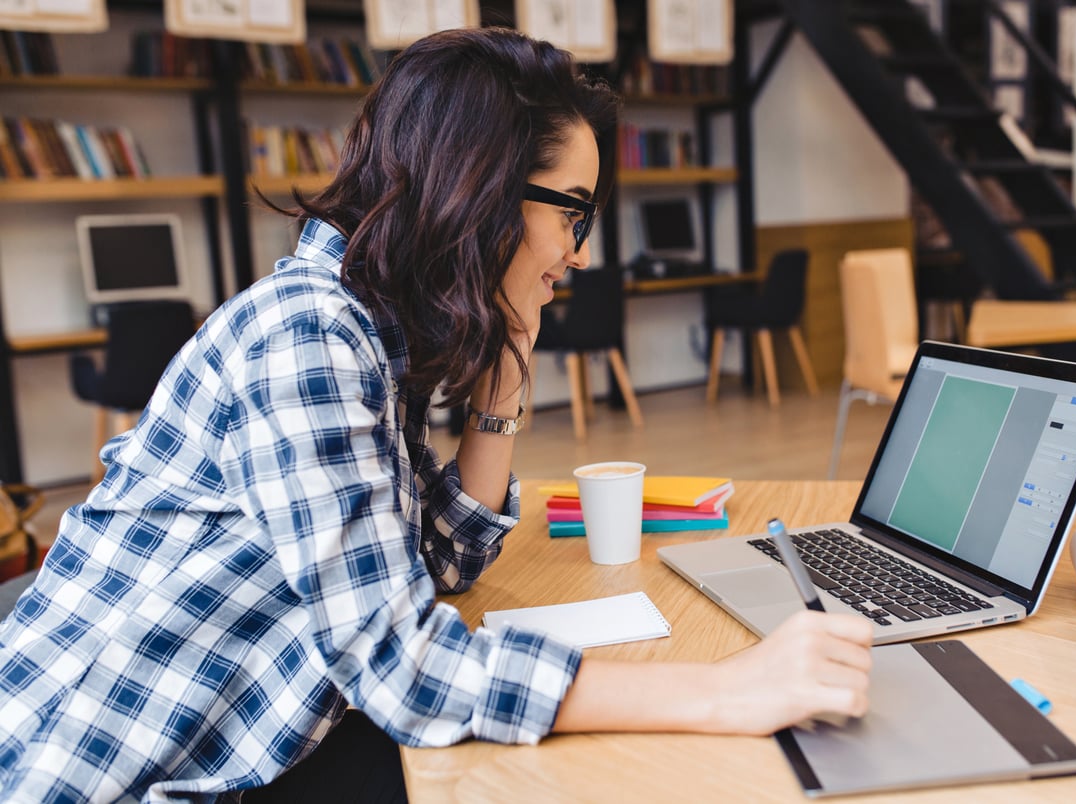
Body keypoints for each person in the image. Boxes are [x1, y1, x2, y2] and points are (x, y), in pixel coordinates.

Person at [0, 27, 872, 802]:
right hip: (112, 774)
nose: (580, 251)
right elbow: (405, 672)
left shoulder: (373, 329)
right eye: (574, 211)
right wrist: (725, 688)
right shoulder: (310, 336)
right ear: (479, 189)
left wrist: (509, 361)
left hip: (246, 736)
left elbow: (443, 560)